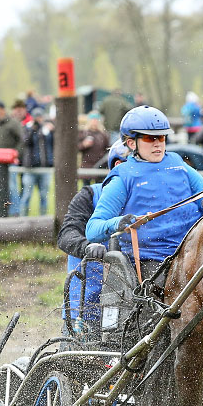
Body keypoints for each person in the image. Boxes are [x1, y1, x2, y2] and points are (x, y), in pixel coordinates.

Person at [85, 106, 203, 271]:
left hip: (196, 251)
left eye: (161, 137)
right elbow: (93, 229)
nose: (157, 144)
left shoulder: (179, 164)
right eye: (150, 138)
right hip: (152, 263)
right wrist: (119, 222)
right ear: (131, 143)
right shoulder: (122, 177)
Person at [58, 141, 128, 331]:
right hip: (85, 305)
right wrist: (87, 246)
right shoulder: (90, 195)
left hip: (129, 308)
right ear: (118, 166)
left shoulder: (146, 199)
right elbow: (66, 235)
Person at [0, 100, 25, 215]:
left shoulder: (13, 123)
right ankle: (1, 211)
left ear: (1, 109)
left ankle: (15, 212)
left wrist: (16, 154)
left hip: (9, 161)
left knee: (11, 187)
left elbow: (21, 140)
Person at [20, 107, 54, 216]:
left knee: (44, 195)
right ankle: (22, 219)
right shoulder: (27, 128)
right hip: (31, 168)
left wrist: (51, 130)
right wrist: (32, 130)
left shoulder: (46, 129)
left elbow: (52, 144)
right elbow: (25, 142)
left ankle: (43, 220)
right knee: (27, 195)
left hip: (44, 167)